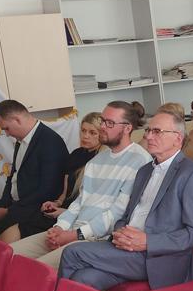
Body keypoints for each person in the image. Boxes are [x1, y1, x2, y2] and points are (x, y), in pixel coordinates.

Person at [59, 110, 193, 291]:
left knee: (72, 252)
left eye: (157, 131)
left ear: (177, 138)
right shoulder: (145, 170)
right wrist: (121, 233)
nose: (148, 136)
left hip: (159, 257)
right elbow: (126, 216)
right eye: (148, 130)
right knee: (82, 278)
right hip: (127, 248)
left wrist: (147, 241)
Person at [10, 102, 151, 268]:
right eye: (103, 121)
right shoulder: (96, 161)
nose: (102, 127)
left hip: (97, 239)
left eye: (110, 123)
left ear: (127, 128)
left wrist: (74, 235)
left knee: (31, 270)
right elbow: (79, 202)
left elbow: (117, 214)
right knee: (8, 254)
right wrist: (60, 227)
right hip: (72, 231)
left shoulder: (140, 161)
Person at [0, 111, 105, 243]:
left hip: (78, 218)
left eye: (92, 133)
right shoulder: (76, 154)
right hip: (62, 210)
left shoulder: (102, 161)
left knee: (16, 228)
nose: (85, 136)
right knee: (12, 226)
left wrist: (64, 211)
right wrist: (56, 203)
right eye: (83, 131)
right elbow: (65, 193)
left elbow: (95, 204)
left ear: (102, 134)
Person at [0, 100, 68, 239]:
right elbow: (13, 177)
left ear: (17, 120)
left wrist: (8, 211)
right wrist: (3, 205)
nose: (7, 134)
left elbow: (47, 190)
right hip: (15, 206)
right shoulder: (22, 141)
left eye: (6, 128)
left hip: (34, 210)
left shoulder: (50, 142)